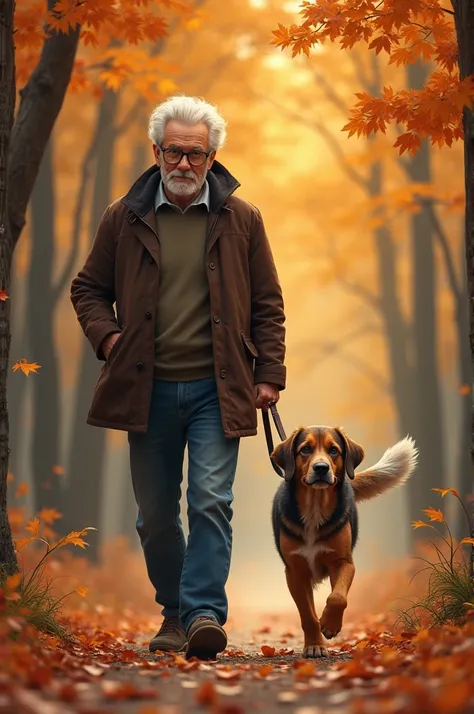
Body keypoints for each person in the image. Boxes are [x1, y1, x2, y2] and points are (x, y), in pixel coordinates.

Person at [70, 95, 286, 660]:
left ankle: (205, 614)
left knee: (212, 500)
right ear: (156, 152)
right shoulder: (124, 216)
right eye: (174, 152)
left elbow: (267, 304)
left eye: (195, 153)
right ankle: (175, 612)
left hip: (221, 388)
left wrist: (270, 373)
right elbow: (87, 289)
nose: (184, 163)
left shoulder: (243, 220)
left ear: (213, 157)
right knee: (156, 516)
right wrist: (110, 339)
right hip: (146, 389)